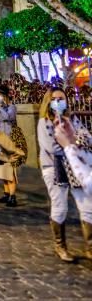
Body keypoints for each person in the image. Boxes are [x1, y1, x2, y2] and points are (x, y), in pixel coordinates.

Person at [37, 87, 92, 262]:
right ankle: (60, 245)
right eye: (56, 99)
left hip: (75, 166)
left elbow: (87, 138)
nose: (59, 102)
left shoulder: (73, 120)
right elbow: (51, 147)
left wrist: (70, 140)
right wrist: (73, 143)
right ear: (49, 101)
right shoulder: (44, 122)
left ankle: (90, 246)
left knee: (86, 206)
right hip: (54, 167)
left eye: (62, 98)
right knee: (60, 205)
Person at [55, 118, 92, 195]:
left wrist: (68, 147)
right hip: (70, 166)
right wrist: (72, 141)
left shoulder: (76, 120)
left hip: (76, 167)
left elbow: (89, 186)